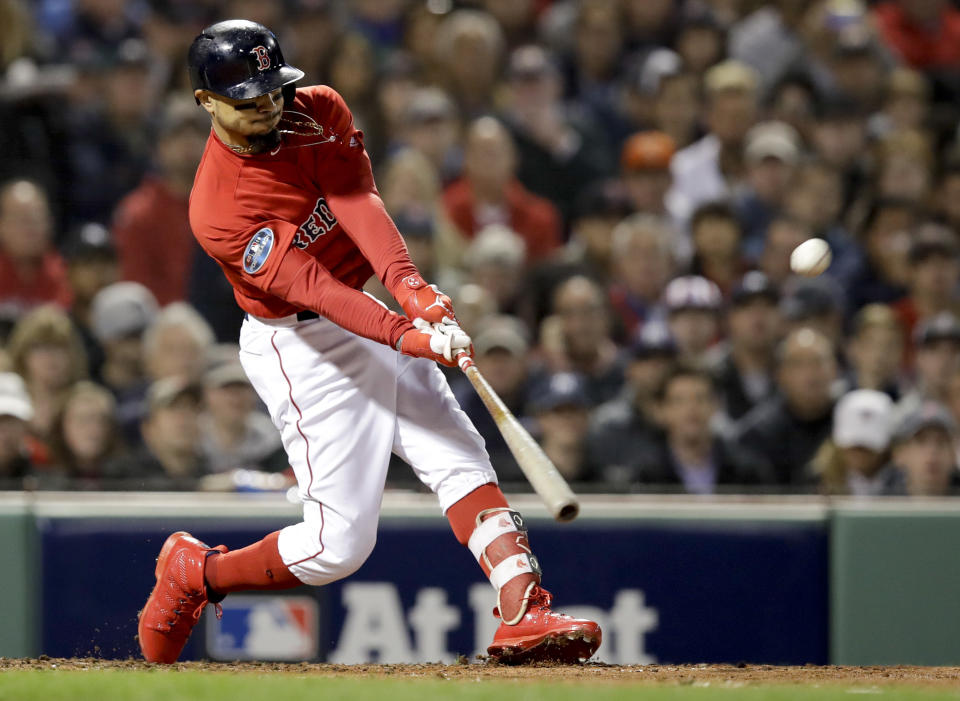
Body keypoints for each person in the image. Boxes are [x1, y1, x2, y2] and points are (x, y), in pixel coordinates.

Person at [137, 20, 600, 667]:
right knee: (337, 546)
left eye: (273, 90)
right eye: (248, 100)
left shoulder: (317, 108)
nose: (269, 107)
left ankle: (524, 608)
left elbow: (357, 200)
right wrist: (406, 333)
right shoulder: (219, 207)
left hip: (368, 309)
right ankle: (197, 571)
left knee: (457, 451)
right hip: (299, 346)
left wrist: (414, 291)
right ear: (205, 103)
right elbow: (315, 289)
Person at [806, 389, 905, 496]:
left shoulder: (904, 482)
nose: (860, 452)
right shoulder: (816, 482)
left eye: (867, 448)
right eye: (853, 445)